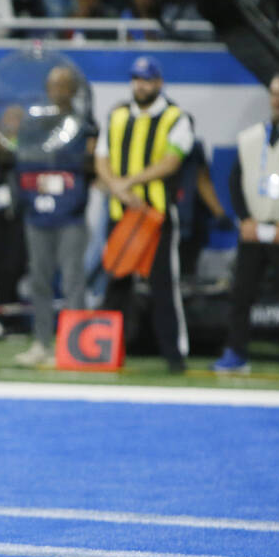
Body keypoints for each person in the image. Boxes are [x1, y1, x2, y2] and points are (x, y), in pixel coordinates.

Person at [94, 56, 193, 374]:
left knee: (163, 286)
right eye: (136, 79)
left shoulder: (176, 117)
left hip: (156, 217)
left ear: (159, 82)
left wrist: (131, 183)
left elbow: (171, 161)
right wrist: (117, 189)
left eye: (147, 79)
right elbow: (101, 158)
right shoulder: (117, 115)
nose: (141, 85)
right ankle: (103, 350)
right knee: (116, 281)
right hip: (120, 213)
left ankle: (174, 356)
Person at [214, 73, 279, 378]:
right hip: (254, 228)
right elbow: (234, 181)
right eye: (275, 94)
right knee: (241, 293)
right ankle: (236, 352)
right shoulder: (251, 137)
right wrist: (244, 219)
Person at [9, 65, 97, 366]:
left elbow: (89, 167)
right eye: (53, 85)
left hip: (71, 215)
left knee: (73, 280)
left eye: (63, 85)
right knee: (39, 282)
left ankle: (74, 347)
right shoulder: (34, 125)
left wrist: (64, 177)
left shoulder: (84, 125)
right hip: (38, 214)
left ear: (73, 90)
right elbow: (23, 164)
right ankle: (42, 344)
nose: (57, 91)